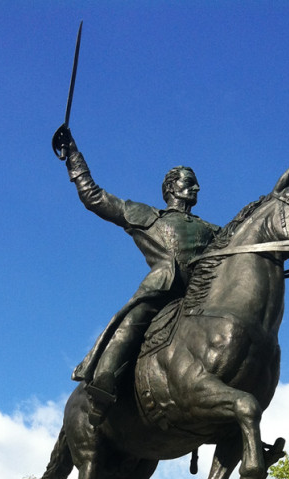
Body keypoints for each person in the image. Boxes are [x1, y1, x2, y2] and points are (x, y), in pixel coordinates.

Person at [61, 128, 219, 425]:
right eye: (189, 182)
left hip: (201, 296)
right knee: (130, 327)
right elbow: (95, 197)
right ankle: (102, 390)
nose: (197, 187)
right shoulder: (146, 216)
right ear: (171, 187)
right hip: (161, 290)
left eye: (196, 183)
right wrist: (72, 157)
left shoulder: (213, 230)